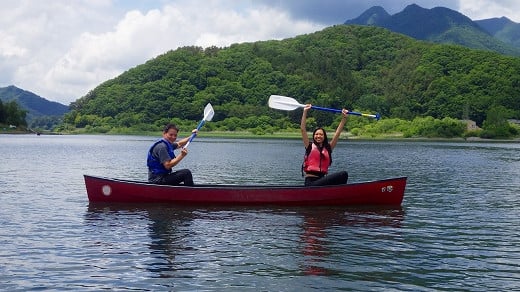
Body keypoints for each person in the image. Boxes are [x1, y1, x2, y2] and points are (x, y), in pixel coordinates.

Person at [300, 104, 349, 186]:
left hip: (322, 180)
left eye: (321, 134)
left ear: (324, 136)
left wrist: (344, 118)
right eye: (316, 134)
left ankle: (339, 194)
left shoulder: (328, 148)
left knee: (343, 175)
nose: (318, 136)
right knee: (343, 174)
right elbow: (302, 130)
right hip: (311, 183)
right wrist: (305, 112)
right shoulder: (309, 146)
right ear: (313, 136)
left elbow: (337, 133)